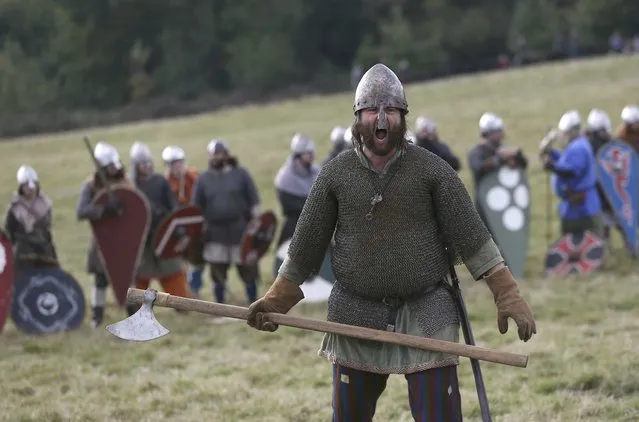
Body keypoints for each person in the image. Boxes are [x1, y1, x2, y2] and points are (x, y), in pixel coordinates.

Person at [246, 63, 536, 421]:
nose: (381, 119)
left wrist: (507, 293)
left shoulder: (432, 171)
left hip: (427, 312)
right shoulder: (335, 175)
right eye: (371, 110)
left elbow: (474, 239)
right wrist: (277, 300)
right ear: (358, 117)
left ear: (403, 117)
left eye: (391, 110)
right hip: (356, 313)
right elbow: (303, 250)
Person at [192, 140, 261, 305]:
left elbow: (254, 201)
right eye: (214, 155)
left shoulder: (240, 174)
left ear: (226, 155)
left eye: (220, 154)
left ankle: (254, 303)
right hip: (215, 233)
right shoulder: (203, 180)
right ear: (209, 157)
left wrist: (255, 223)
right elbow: (195, 209)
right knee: (218, 273)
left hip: (240, 229)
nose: (217, 157)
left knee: (248, 270)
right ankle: (220, 305)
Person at [76, 141, 136, 327]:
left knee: (127, 278)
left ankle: (133, 315)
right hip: (103, 239)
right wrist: (104, 209)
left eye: (114, 165)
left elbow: (136, 209)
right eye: (108, 166)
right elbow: (82, 211)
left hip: (122, 240)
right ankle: (97, 317)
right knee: (101, 279)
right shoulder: (91, 186)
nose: (112, 169)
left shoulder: (126, 182)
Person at [130, 141, 191, 303]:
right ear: (136, 165)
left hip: (163, 235)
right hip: (142, 240)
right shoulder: (131, 186)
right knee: (141, 276)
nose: (147, 166)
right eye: (143, 164)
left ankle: (182, 305)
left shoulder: (160, 182)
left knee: (173, 271)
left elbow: (173, 209)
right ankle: (138, 308)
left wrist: (180, 232)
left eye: (148, 162)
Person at [540, 110, 603, 236]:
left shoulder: (578, 147)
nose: (563, 136)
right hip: (574, 207)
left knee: (588, 245)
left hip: (582, 208)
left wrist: (552, 166)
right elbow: (565, 160)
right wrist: (551, 152)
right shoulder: (576, 145)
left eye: (566, 133)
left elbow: (572, 171)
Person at [468, 112, 528, 228]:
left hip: (505, 208)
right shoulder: (477, 152)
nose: (501, 135)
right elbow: (479, 168)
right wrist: (500, 160)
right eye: (498, 132)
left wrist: (516, 156)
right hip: (485, 208)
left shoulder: (503, 150)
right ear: (487, 133)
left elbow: (522, 165)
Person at [161, 145, 204, 297]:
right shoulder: (165, 183)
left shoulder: (194, 176)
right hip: (176, 231)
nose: (178, 166)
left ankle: (196, 290)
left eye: (180, 162)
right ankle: (185, 292)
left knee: (197, 261)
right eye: (174, 163)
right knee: (179, 263)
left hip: (195, 227)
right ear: (168, 165)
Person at [4, 165, 58, 274]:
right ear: (21, 187)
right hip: (23, 254)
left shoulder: (44, 203)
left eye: (33, 186)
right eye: (27, 187)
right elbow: (9, 233)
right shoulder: (15, 208)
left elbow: (47, 228)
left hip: (44, 250)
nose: (31, 189)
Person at [275, 133, 320, 246]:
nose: (311, 156)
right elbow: (288, 206)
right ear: (299, 155)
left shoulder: (315, 171)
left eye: (311, 153)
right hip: (294, 226)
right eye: (308, 153)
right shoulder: (286, 176)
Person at [584, 109, 616, 240]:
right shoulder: (592, 146)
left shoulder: (604, 144)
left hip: (606, 189)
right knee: (605, 221)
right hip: (598, 189)